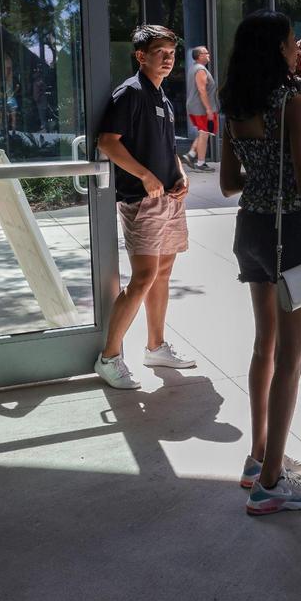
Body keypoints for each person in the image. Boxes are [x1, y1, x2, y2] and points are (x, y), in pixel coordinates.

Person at [218, 10, 301, 514]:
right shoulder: (291, 100)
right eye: (293, 41)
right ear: (277, 48)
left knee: (263, 348)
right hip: (289, 234)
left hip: (250, 230)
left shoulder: (236, 103)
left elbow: (230, 184)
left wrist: (263, 169)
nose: (297, 49)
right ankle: (270, 483)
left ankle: (258, 457)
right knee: (291, 360)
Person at [94, 24, 196, 390]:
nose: (167, 59)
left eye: (171, 53)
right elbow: (107, 142)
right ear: (141, 56)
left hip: (169, 199)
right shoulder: (132, 92)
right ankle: (108, 357)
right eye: (160, 53)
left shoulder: (162, 97)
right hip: (142, 201)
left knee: (163, 273)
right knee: (142, 279)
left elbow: (168, 150)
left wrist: (180, 174)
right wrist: (146, 177)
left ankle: (155, 347)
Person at [181, 46, 218, 172]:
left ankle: (190, 155)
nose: (208, 54)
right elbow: (202, 90)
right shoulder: (200, 70)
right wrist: (208, 109)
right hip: (201, 107)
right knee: (204, 133)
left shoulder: (195, 68)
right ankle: (200, 163)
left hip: (196, 106)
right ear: (199, 56)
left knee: (204, 132)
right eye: (205, 53)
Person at [3, 56, 19, 133]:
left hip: (10, 99)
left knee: (10, 116)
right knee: (10, 116)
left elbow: (18, 86)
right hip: (10, 99)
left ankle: (12, 130)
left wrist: (13, 93)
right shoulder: (7, 79)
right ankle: (12, 130)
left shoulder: (10, 78)